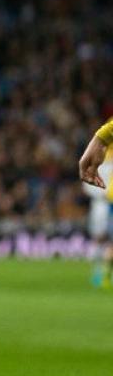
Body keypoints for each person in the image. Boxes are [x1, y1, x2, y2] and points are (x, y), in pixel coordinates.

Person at [80, 118, 113, 288]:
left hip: (106, 203)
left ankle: (102, 272)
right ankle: (100, 272)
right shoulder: (104, 159)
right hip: (103, 203)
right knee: (101, 238)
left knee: (105, 240)